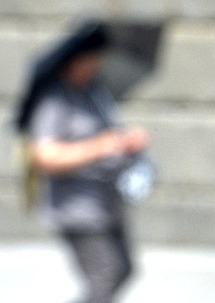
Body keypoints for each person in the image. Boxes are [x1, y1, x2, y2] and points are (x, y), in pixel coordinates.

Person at [16, 22, 151, 303]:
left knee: (124, 269)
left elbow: (108, 134)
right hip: (77, 208)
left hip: (107, 202)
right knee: (105, 275)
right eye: (92, 60)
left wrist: (126, 141)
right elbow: (46, 155)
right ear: (75, 60)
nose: (97, 66)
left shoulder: (94, 92)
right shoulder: (54, 99)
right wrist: (100, 146)